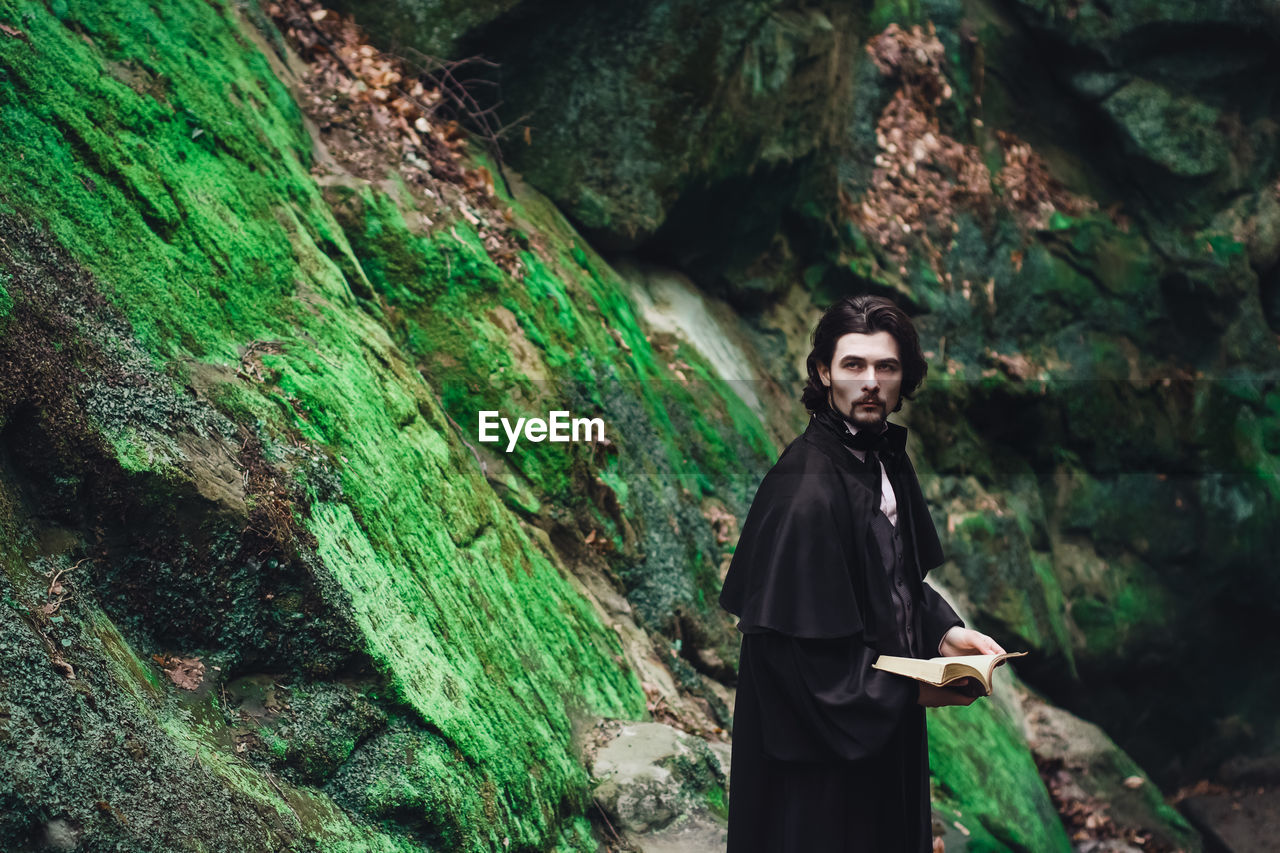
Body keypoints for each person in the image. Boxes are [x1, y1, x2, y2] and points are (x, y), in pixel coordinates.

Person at [718, 294, 1006, 852]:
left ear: (905, 378)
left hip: (877, 736)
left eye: (886, 366)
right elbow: (794, 658)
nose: (870, 381)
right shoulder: (804, 489)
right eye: (854, 365)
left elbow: (890, 580)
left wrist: (945, 632)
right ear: (825, 372)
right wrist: (912, 693)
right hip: (817, 765)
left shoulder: (883, 459)